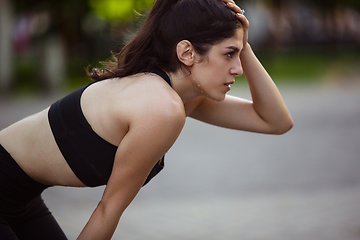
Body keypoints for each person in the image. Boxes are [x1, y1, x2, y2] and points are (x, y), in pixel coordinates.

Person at [0, 0, 293, 239]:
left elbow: (276, 122)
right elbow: (108, 210)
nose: (238, 69)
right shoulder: (161, 108)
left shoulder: (183, 96)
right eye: (229, 54)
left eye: (238, 55)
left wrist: (243, 42)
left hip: (22, 200)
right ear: (187, 52)